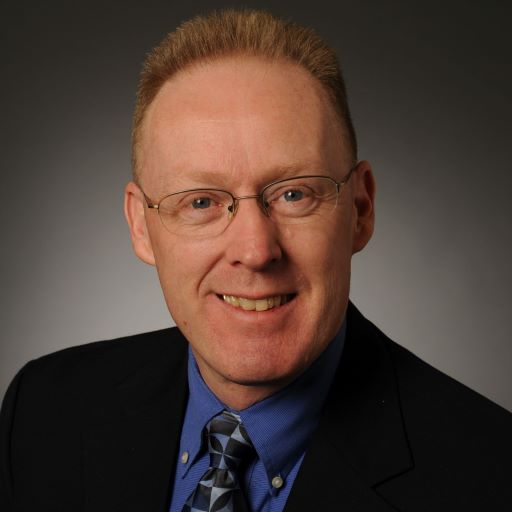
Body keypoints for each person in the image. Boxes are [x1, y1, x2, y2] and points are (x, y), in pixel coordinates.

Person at [1, 8, 511, 512]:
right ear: (141, 226)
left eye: (294, 194)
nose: (255, 251)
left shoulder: (491, 477)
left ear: (360, 209)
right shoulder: (43, 410)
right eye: (201, 201)